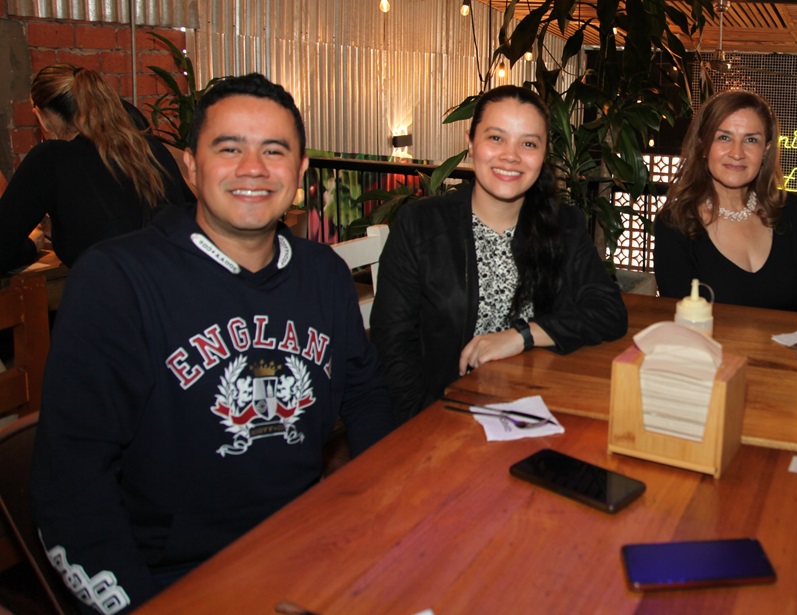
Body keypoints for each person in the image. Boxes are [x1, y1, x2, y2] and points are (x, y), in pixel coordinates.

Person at [31, 73, 395, 613]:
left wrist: (394, 513)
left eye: (274, 151)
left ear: (299, 172)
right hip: (174, 577)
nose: (253, 168)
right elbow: (70, 487)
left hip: (306, 546)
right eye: (230, 149)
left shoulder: (323, 274)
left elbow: (367, 398)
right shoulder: (116, 281)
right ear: (190, 167)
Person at [371, 85, 628, 423]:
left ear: (543, 153)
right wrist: (420, 426)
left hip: (535, 405)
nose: (511, 155)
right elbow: (393, 343)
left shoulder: (563, 225)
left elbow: (608, 312)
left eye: (528, 143)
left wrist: (522, 335)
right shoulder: (420, 225)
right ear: (471, 142)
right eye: (496, 138)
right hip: (444, 411)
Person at [0, 64, 194, 272]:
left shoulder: (50, 157)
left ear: (46, 115)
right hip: (178, 289)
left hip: (114, 296)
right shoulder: (150, 147)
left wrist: (33, 243)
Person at [654, 89, 797, 314]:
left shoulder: (789, 211)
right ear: (704, 145)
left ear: (765, 150)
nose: (737, 153)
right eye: (724, 137)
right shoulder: (674, 224)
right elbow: (683, 318)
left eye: (751, 140)